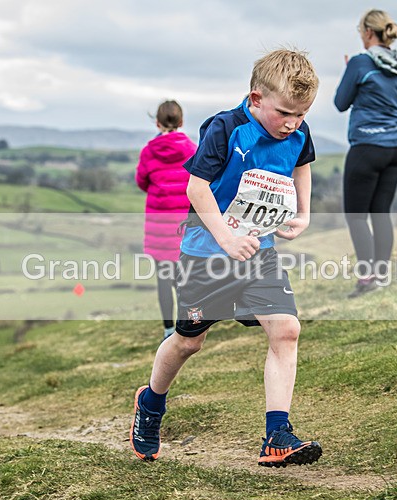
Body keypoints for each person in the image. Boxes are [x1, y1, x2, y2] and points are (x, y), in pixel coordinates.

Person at [130, 49, 323, 467]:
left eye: (302, 114)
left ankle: (277, 435)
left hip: (259, 252)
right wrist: (226, 239)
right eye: (284, 113)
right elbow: (196, 188)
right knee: (188, 342)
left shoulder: (298, 130)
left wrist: (303, 213)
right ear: (256, 98)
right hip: (206, 254)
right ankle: (151, 403)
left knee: (286, 330)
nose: (292, 124)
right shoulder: (226, 128)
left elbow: (302, 164)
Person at [334, 8, 397, 297]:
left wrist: (350, 73)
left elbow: (341, 103)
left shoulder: (360, 62)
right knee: (381, 212)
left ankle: (366, 280)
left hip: (367, 145)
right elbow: (394, 96)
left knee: (356, 216)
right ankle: (381, 276)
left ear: (368, 32)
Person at [136, 100, 197, 339]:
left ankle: (168, 329)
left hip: (158, 225)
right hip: (184, 225)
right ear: (181, 121)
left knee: (164, 277)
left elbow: (142, 182)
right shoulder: (192, 149)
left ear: (157, 123)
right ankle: (190, 323)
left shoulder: (148, 151)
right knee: (184, 277)